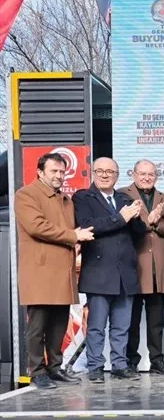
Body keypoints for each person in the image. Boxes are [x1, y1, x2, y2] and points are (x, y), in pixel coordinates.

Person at [15, 153, 94, 389]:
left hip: (63, 272)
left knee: (59, 324)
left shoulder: (66, 199)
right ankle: (37, 372)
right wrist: (73, 236)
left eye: (62, 171)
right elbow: (36, 226)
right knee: (38, 325)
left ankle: (55, 368)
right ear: (40, 172)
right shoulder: (26, 194)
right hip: (40, 272)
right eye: (54, 171)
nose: (59, 176)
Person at [73, 157, 147, 383]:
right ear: (93, 173)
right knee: (96, 326)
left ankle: (120, 364)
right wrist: (121, 217)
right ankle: (95, 366)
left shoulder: (125, 199)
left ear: (117, 175)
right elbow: (88, 225)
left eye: (110, 172)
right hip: (99, 273)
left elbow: (139, 233)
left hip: (126, 274)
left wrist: (136, 217)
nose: (105, 175)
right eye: (100, 171)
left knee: (122, 326)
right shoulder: (83, 198)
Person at [120, 159, 164, 376]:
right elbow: (124, 225)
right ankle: (130, 360)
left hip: (157, 268)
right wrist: (149, 221)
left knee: (156, 320)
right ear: (133, 174)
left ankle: (157, 360)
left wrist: (156, 221)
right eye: (142, 174)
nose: (146, 178)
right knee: (131, 319)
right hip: (134, 265)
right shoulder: (122, 195)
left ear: (156, 176)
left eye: (151, 174)